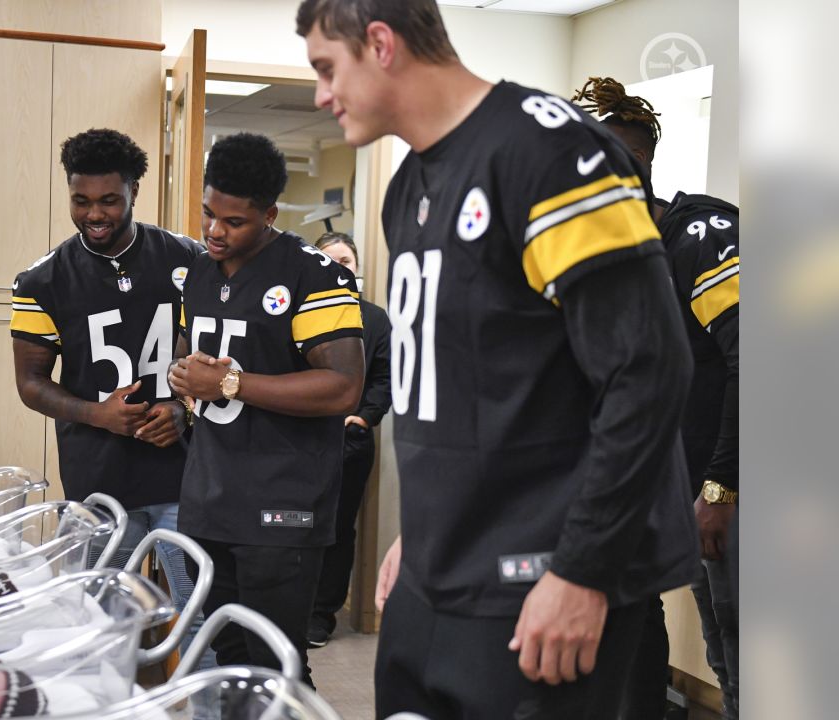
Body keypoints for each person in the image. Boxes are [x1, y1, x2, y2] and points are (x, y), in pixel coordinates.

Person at [296, 1, 701, 716]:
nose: (322, 95)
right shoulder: (407, 187)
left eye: (328, 69)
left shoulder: (548, 154)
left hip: (546, 572)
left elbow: (646, 372)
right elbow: (458, 387)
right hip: (444, 566)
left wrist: (584, 570)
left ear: (381, 45)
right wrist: (422, 536)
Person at [8, 128, 215, 704]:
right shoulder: (41, 280)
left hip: (179, 470)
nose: (94, 214)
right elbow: (30, 382)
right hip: (98, 481)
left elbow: (209, 351)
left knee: (198, 614)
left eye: (109, 200)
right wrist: (97, 415)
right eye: (81, 201)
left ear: (133, 193)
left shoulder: (187, 259)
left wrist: (182, 406)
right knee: (101, 622)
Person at [167, 132, 366, 688]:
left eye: (233, 222)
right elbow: (200, 361)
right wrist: (185, 375)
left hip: (282, 502)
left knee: (275, 666)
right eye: (208, 214)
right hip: (211, 495)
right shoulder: (200, 273)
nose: (214, 231)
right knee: (228, 662)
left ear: (271, 214)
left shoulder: (315, 274)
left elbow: (343, 386)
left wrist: (230, 382)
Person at [574, 76, 740, 720]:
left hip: (732, 489)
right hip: (679, 490)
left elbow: (757, 360)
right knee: (722, 653)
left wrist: (722, 488)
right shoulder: (616, 255)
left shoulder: (699, 236)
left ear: (637, 167)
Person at [306, 232, 391, 649]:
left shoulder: (375, 319)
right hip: (303, 440)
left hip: (350, 442)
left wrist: (364, 416)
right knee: (299, 526)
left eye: (346, 260)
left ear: (357, 268)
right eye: (329, 260)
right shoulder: (300, 310)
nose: (339, 267)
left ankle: (322, 615)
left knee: (338, 530)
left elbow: (382, 378)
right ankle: (295, 608)